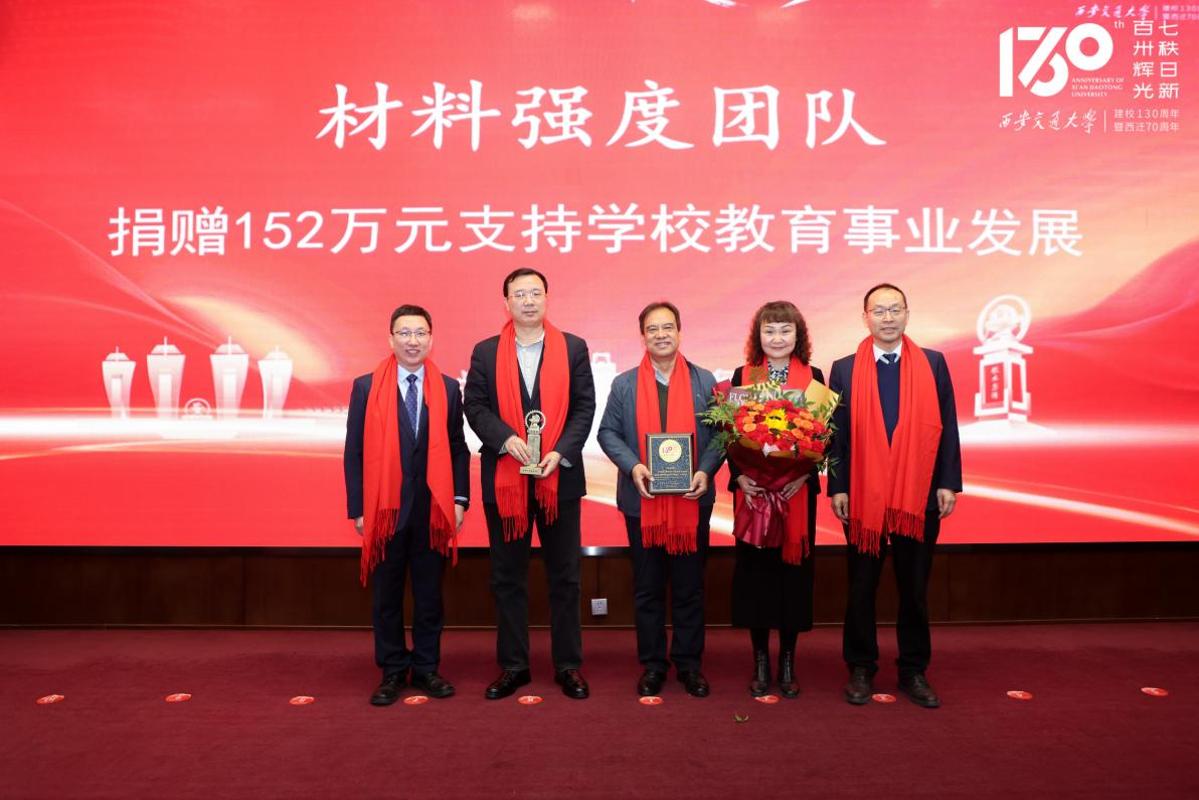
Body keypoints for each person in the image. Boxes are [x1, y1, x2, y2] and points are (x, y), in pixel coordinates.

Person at [464, 268, 597, 700]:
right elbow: (474, 405)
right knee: (507, 578)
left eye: (535, 293)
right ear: (506, 302)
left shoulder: (573, 347)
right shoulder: (486, 352)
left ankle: (568, 666)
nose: (527, 301)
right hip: (506, 479)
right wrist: (505, 440)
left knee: (566, 578)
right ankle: (514, 666)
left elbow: (584, 407)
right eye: (519, 294)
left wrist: (561, 451)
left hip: (560, 479)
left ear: (546, 298)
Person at [828, 283, 962, 708]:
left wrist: (947, 481)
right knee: (861, 586)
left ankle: (913, 670)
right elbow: (837, 436)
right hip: (863, 494)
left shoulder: (933, 364)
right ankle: (861, 667)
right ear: (865, 317)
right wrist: (838, 487)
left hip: (917, 493)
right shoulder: (844, 369)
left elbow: (947, 426)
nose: (888, 318)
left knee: (914, 587)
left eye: (895, 309)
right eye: (879, 310)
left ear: (907, 313)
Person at [343, 304, 470, 706]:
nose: (412, 341)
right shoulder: (366, 387)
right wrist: (359, 507)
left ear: (431, 339)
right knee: (387, 596)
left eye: (420, 333)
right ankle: (393, 670)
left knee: (430, 596)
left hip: (433, 510)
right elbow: (354, 451)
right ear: (391, 338)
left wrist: (459, 500)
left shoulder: (448, 388)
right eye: (404, 333)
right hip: (385, 510)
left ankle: (428, 668)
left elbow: (457, 447)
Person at [597, 302, 722, 698]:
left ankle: (689, 664)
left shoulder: (705, 381)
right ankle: (653, 665)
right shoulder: (625, 384)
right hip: (643, 503)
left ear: (680, 332)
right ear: (643, 337)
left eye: (668, 327)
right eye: (653, 329)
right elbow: (607, 433)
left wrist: (705, 470)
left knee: (689, 589)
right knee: (648, 590)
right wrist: (633, 466)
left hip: (691, 502)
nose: (661, 335)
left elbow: (722, 434)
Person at [727, 301, 823, 699]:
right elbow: (730, 435)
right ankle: (760, 661)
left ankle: (787, 660)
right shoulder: (743, 376)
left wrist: (803, 474)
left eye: (785, 330)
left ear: (798, 336)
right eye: (770, 331)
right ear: (758, 336)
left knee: (792, 580)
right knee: (757, 580)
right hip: (754, 495)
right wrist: (740, 475)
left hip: (795, 494)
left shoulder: (814, 377)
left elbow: (823, 437)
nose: (778, 338)